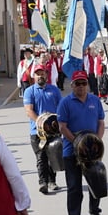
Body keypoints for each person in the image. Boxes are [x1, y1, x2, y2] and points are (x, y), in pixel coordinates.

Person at [57, 70, 107, 215]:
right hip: (71, 150)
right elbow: (62, 127)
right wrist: (77, 142)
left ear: (87, 84)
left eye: (83, 83)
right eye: (77, 83)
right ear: (72, 85)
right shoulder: (65, 103)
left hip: (92, 149)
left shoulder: (95, 100)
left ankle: (94, 212)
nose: (81, 86)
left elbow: (101, 122)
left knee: (96, 180)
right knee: (74, 187)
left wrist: (97, 141)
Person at [24, 67, 63, 195]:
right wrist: (42, 123)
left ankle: (52, 181)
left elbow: (61, 108)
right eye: (37, 74)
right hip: (37, 132)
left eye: (42, 73)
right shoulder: (29, 91)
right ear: (34, 77)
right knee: (41, 157)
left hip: (53, 130)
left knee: (53, 155)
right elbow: (29, 111)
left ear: (46, 75)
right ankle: (43, 182)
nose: (40, 76)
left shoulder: (54, 90)